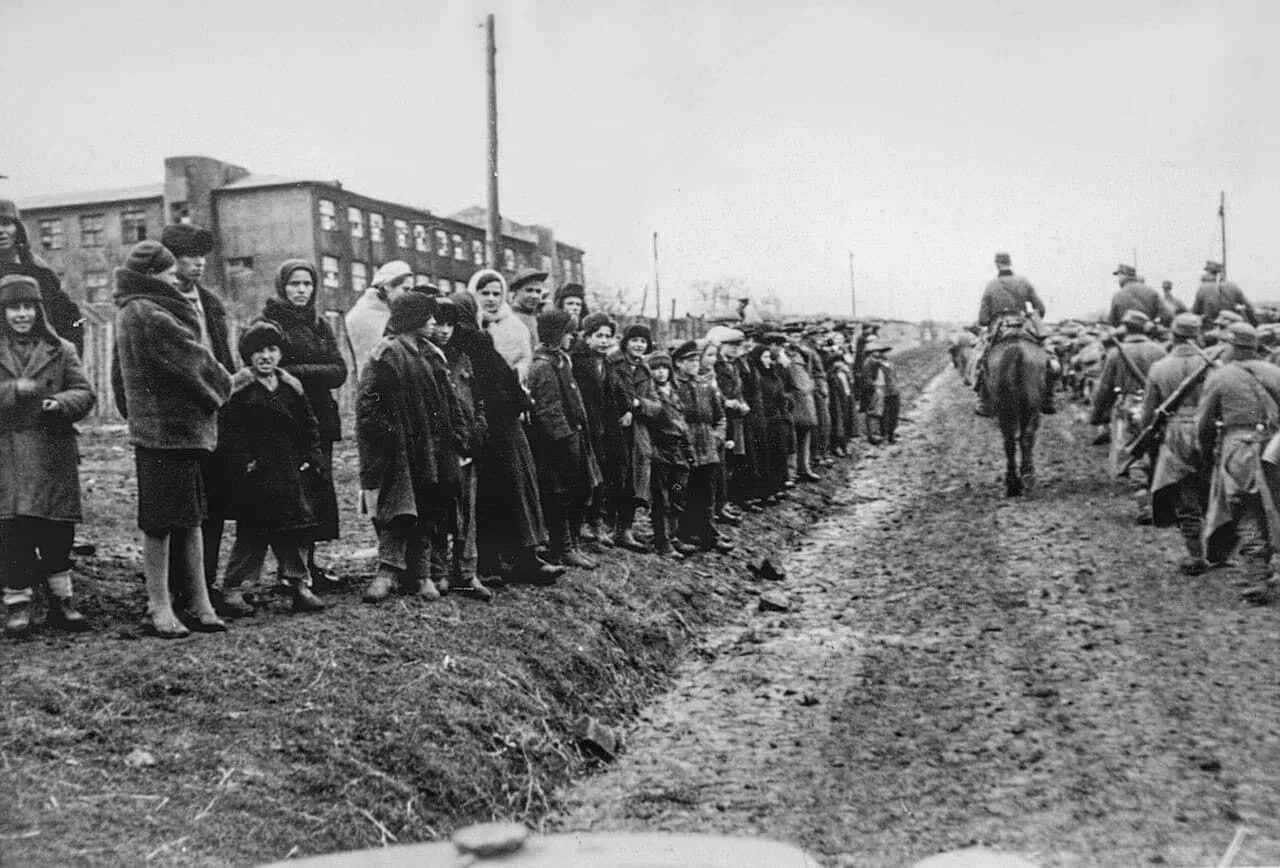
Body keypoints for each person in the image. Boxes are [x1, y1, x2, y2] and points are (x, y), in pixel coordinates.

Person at [112, 240, 232, 638]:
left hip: (173, 431)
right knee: (161, 523)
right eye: (166, 274)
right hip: (165, 432)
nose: (173, 279)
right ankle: (159, 606)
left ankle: (199, 602)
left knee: (190, 516)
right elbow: (191, 359)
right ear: (150, 277)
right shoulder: (148, 313)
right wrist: (226, 384)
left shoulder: (139, 309)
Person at [0, 275, 95, 636]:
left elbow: (85, 393)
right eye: (13, 308)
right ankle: (18, 604)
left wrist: (60, 403)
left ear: (39, 311)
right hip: (7, 454)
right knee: (13, 531)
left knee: (56, 530)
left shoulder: (62, 349)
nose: (21, 315)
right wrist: (14, 390)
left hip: (52, 452)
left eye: (27, 307)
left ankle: (62, 602)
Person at [357, 292, 463, 603]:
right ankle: (387, 572)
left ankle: (422, 574)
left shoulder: (429, 355)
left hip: (427, 448)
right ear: (411, 320)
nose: (433, 323)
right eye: (427, 317)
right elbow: (367, 404)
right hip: (397, 450)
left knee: (426, 506)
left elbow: (443, 403)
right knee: (398, 509)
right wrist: (391, 435)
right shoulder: (386, 354)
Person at [215, 320, 327, 616]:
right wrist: (242, 462)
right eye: (258, 351)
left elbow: (309, 426)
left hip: (289, 469)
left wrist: (311, 456)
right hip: (256, 473)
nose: (265, 356)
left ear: (280, 353)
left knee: (295, 529)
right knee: (253, 532)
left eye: (272, 349)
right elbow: (227, 431)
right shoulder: (239, 388)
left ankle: (300, 584)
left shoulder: (291, 386)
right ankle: (233, 588)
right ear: (248, 356)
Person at [454, 274, 560, 584]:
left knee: (517, 487)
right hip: (487, 426)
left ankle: (523, 557)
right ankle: (496, 561)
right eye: (482, 294)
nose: (489, 299)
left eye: (494, 293)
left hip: (504, 423)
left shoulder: (504, 331)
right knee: (494, 493)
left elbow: (508, 375)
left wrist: (520, 399)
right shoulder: (471, 339)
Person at [159, 223, 236, 607]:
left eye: (202, 256)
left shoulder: (211, 303)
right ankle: (176, 588)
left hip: (213, 415)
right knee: (177, 508)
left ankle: (205, 585)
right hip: (172, 420)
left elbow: (225, 359)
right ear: (171, 259)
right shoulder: (156, 302)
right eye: (190, 256)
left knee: (214, 503)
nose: (199, 263)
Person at [263, 259, 347, 588]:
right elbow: (268, 368)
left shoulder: (320, 324)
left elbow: (339, 371)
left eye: (307, 284)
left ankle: (309, 565)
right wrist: (314, 372)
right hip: (285, 419)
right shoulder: (270, 322)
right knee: (290, 493)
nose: (301, 290)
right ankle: (289, 569)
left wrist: (299, 373)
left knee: (316, 491)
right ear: (282, 286)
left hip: (320, 420)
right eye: (294, 284)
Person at [1195, 322, 1280, 604]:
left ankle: (1257, 576)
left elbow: (1205, 424)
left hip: (1241, 448)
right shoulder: (1274, 371)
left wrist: (1206, 455)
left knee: (1246, 508)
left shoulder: (1221, 376)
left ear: (1233, 346)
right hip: (1274, 446)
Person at [1141, 313, 1217, 575]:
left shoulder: (1159, 368)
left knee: (1186, 495)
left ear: (1173, 335)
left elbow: (1148, 413)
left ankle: (1196, 555)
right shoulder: (1214, 366)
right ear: (1198, 335)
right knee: (1216, 491)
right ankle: (1220, 549)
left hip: (1176, 434)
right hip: (1210, 431)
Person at [430, 296, 493, 601]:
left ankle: (467, 573)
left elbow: (478, 400)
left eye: (449, 324)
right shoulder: (427, 359)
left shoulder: (463, 359)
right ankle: (439, 571)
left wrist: (478, 431)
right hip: (443, 450)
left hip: (469, 446)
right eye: (438, 323)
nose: (443, 331)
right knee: (442, 510)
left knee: (467, 513)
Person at [528, 309, 600, 570]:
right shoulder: (544, 366)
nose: (573, 337)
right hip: (556, 447)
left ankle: (570, 545)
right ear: (557, 335)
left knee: (578, 491)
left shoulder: (561, 361)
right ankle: (563, 548)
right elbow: (549, 411)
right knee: (559, 495)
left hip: (573, 438)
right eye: (569, 332)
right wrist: (566, 441)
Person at [0, 198, 83, 355]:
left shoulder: (40, 272)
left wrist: (68, 357)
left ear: (17, 229)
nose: (1, 231)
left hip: (41, 365)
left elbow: (73, 319)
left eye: (6, 223)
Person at [673, 340, 733, 553]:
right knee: (681, 491)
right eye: (689, 361)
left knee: (706, 493)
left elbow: (720, 417)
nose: (695, 365)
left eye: (696, 360)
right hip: (683, 451)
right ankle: (682, 533)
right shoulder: (674, 388)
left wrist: (717, 437)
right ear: (679, 363)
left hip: (707, 449)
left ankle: (708, 533)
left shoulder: (705, 387)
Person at [571, 312, 624, 546]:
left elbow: (614, 393)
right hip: (587, 426)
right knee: (588, 476)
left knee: (605, 474)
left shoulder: (608, 362)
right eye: (598, 336)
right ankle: (584, 523)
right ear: (587, 337)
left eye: (608, 336)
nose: (604, 340)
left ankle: (597, 523)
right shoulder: (579, 361)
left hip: (606, 427)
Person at [974, 252, 1048, 416]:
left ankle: (983, 401)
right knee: (1050, 356)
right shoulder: (1024, 282)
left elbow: (983, 319)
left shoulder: (991, 286)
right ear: (1010, 263)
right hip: (1024, 327)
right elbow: (1041, 309)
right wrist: (1029, 315)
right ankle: (1049, 398)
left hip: (1000, 329)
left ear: (997, 265)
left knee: (981, 360)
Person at [608, 324, 661, 551]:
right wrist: (626, 408)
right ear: (625, 342)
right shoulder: (613, 363)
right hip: (615, 426)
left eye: (643, 341)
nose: (639, 345)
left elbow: (656, 404)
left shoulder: (645, 370)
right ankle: (607, 528)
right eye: (634, 340)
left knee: (633, 478)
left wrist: (639, 405)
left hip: (637, 431)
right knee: (613, 476)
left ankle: (625, 529)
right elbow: (609, 393)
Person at [646, 350, 695, 559]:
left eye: (664, 368)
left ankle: (673, 535)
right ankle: (662, 541)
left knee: (677, 493)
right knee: (661, 499)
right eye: (655, 369)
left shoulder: (674, 392)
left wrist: (688, 450)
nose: (660, 373)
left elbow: (682, 425)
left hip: (678, 453)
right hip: (660, 452)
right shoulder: (651, 395)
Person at [344, 260, 415, 377]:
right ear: (387, 286)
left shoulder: (392, 309)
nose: (409, 296)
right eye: (405, 289)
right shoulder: (363, 314)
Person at [475, 268, 535, 383]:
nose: (491, 299)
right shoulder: (469, 321)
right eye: (485, 293)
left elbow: (526, 357)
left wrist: (516, 374)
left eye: (496, 294)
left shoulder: (515, 325)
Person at [1192, 260, 1256, 327]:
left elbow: (1195, 312)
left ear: (1208, 272)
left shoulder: (1202, 289)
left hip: (1209, 328)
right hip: (1230, 327)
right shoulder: (1233, 287)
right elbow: (1249, 308)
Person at [863, 341, 899, 444]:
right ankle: (881, 434)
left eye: (886, 352)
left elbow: (893, 377)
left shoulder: (889, 364)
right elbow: (869, 378)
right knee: (880, 413)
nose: (884, 354)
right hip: (881, 390)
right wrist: (875, 388)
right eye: (882, 352)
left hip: (892, 390)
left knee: (893, 413)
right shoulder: (873, 363)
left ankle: (890, 433)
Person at [508, 267, 549, 345]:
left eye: (538, 291)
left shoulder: (533, 317)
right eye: (529, 290)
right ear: (516, 291)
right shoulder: (509, 318)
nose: (534, 296)